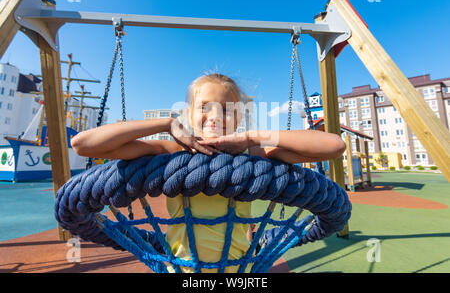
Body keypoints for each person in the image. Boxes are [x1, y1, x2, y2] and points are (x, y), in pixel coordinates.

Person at [70, 73, 346, 272]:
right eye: (205, 108)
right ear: (189, 114)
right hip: (181, 269)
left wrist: (252, 137)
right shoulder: (171, 151)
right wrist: (167, 123)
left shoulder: (250, 154)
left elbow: (334, 145)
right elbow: (83, 144)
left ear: (238, 118)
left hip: (239, 270)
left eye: (227, 110)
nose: (215, 116)